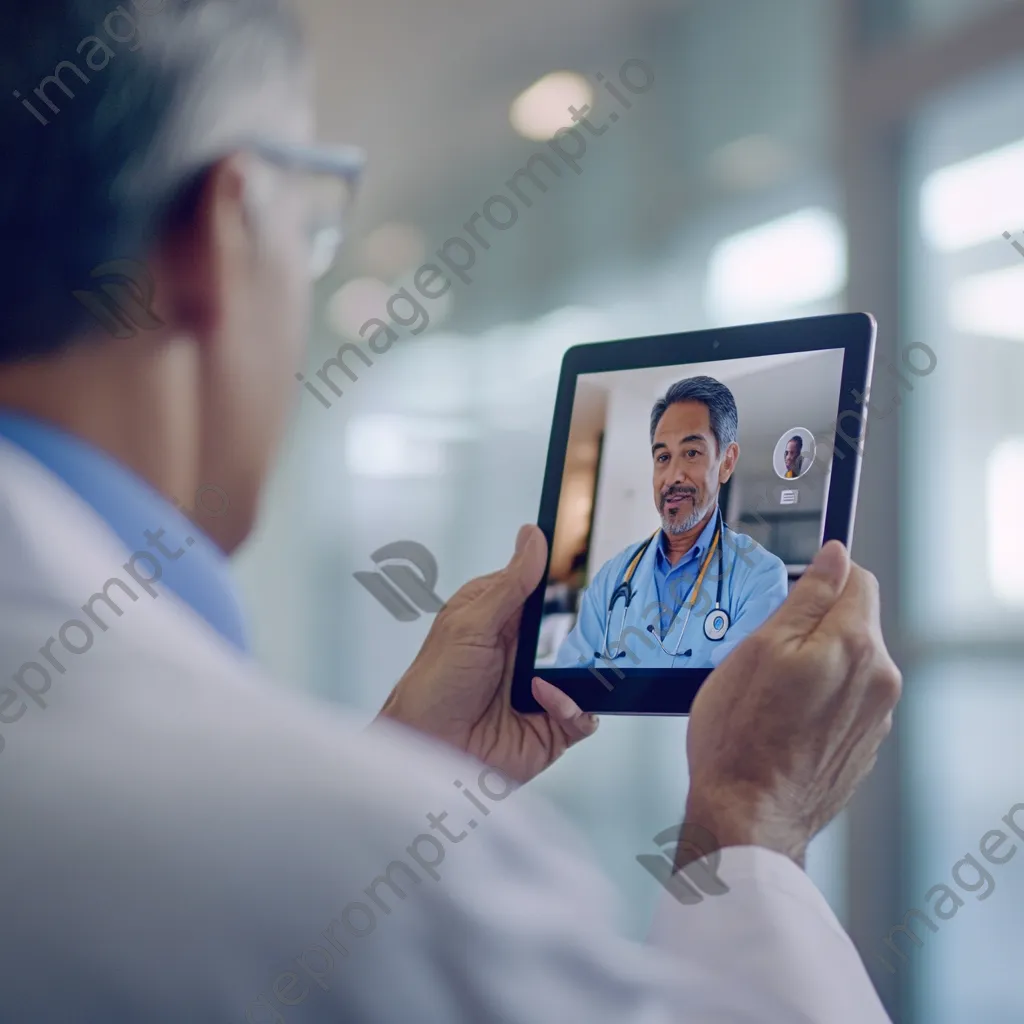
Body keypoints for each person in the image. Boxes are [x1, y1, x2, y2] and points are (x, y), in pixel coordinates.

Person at [0, 2, 901, 1021]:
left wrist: (404, 771)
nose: (672, 473)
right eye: (313, 230)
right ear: (227, 229)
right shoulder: (345, 866)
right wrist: (750, 825)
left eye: (692, 451)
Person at [555, 376, 788, 669]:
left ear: (727, 461)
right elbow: (565, 682)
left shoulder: (761, 576)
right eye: (663, 457)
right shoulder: (612, 577)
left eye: (691, 453)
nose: (673, 477)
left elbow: (738, 693)